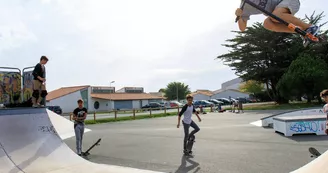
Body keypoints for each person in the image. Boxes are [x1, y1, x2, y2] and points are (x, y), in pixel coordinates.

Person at [235, 0, 320, 45]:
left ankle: (310, 27)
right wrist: (239, 16)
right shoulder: (244, 6)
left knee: (275, 15)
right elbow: (242, 28)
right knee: (267, 23)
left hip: (289, 2)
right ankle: (302, 31)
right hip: (278, 15)